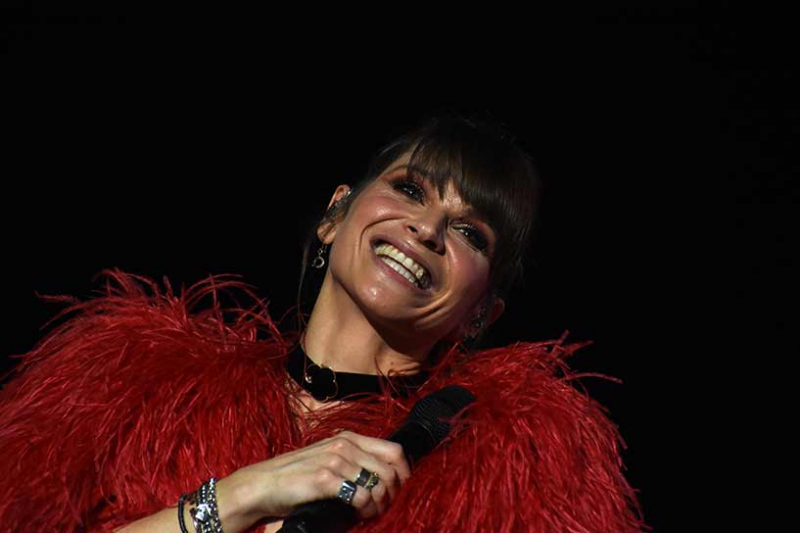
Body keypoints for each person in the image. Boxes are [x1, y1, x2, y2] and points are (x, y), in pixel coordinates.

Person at [0, 110, 649, 532]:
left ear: (481, 312)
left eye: (469, 232)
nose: (426, 229)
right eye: (410, 190)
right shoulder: (129, 380)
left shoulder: (513, 465)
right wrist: (244, 493)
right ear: (336, 214)